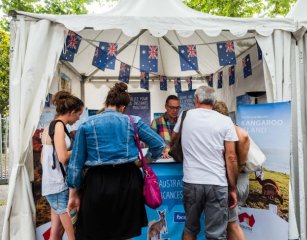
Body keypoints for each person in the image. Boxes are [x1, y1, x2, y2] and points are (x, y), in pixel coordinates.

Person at [66, 82, 166, 240]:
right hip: (128, 181)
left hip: (97, 183)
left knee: (97, 232)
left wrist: (73, 193)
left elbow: (76, 163)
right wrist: (146, 160)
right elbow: (159, 144)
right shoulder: (134, 121)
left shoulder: (87, 124)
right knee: (123, 233)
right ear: (123, 107)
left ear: (106, 104)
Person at [171, 86, 238, 240]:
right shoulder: (226, 121)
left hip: (191, 181)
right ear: (214, 102)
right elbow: (231, 157)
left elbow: (173, 139)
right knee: (216, 235)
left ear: (196, 100)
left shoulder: (185, 115)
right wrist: (232, 188)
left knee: (190, 229)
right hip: (217, 183)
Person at [41, 91, 84, 240]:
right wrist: (80, 148)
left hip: (52, 184)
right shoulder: (58, 126)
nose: (78, 118)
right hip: (58, 186)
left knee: (56, 232)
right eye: (78, 114)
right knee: (72, 235)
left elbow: (43, 159)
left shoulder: (51, 127)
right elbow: (63, 157)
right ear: (71, 112)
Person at [213, 101, 250, 240]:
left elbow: (234, 161)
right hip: (242, 180)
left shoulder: (230, 132)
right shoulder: (239, 131)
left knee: (232, 224)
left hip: (234, 181)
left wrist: (230, 186)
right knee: (230, 223)